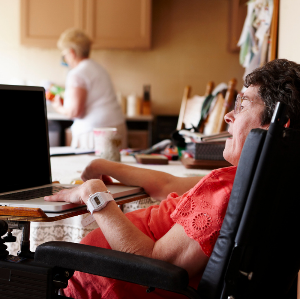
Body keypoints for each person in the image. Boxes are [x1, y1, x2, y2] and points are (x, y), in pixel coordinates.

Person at [45, 59, 300, 298]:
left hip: (99, 285)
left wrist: (92, 193)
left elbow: (153, 264)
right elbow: (167, 185)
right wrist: (103, 166)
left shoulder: (226, 192)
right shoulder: (254, 182)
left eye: (242, 106)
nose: (228, 116)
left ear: (277, 126)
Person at [53, 28, 127, 149]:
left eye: (64, 54)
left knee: (91, 167)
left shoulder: (77, 73)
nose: (65, 58)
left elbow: (75, 112)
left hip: (96, 133)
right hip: (117, 127)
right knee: (116, 167)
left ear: (72, 53)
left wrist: (59, 108)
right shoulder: (98, 68)